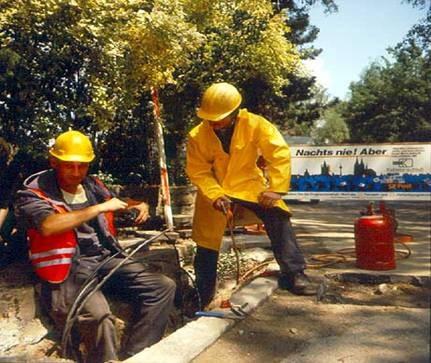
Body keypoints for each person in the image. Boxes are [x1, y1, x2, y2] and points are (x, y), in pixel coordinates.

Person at [15, 130, 176, 362]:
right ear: (54, 162)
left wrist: (139, 205)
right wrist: (99, 208)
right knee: (99, 318)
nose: (77, 172)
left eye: (83, 166)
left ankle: (136, 356)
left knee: (163, 287)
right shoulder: (32, 193)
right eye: (70, 166)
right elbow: (49, 226)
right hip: (68, 269)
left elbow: (115, 201)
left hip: (105, 258)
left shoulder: (92, 185)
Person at [186, 82, 315, 308]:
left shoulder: (256, 124)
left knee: (278, 216)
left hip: (248, 184)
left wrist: (275, 189)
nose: (214, 123)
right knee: (206, 241)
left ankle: (295, 273)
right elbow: (198, 170)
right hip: (214, 190)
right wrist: (215, 195)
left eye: (220, 118)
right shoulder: (197, 135)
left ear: (234, 112)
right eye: (211, 118)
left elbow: (279, 153)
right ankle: (202, 294)